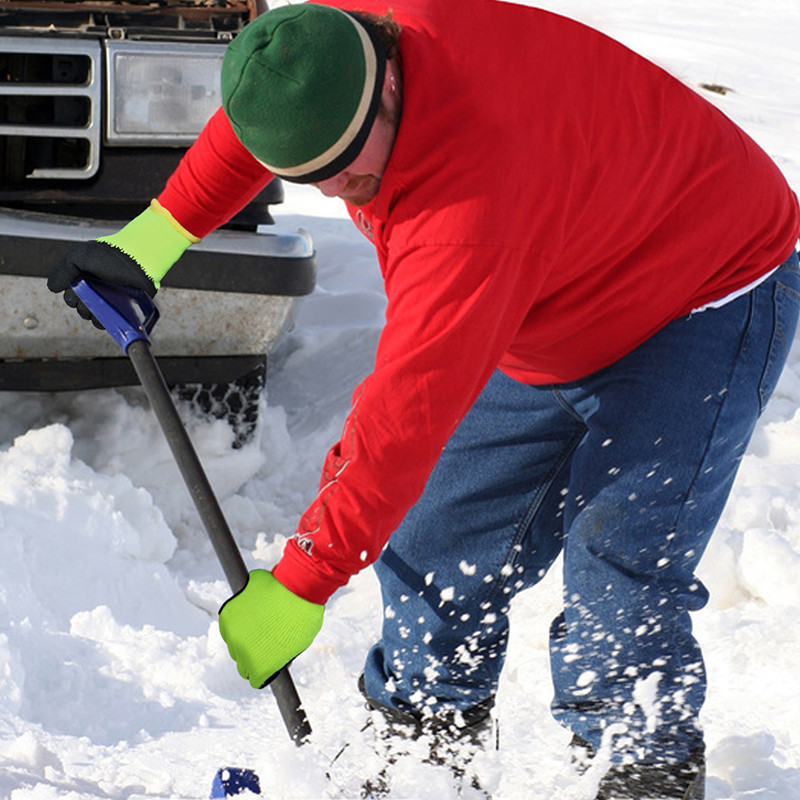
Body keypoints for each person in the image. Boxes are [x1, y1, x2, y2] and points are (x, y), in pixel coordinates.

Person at [47, 2, 800, 798]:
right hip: (551, 286)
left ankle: (640, 775)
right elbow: (259, 121)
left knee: (619, 582)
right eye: (317, 179)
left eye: (349, 167)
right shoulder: (325, 58)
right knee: (437, 544)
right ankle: (421, 762)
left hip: (704, 290)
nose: (344, 188)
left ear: (390, 89)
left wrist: (303, 580)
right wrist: (155, 239)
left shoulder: (468, 208)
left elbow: (404, 420)